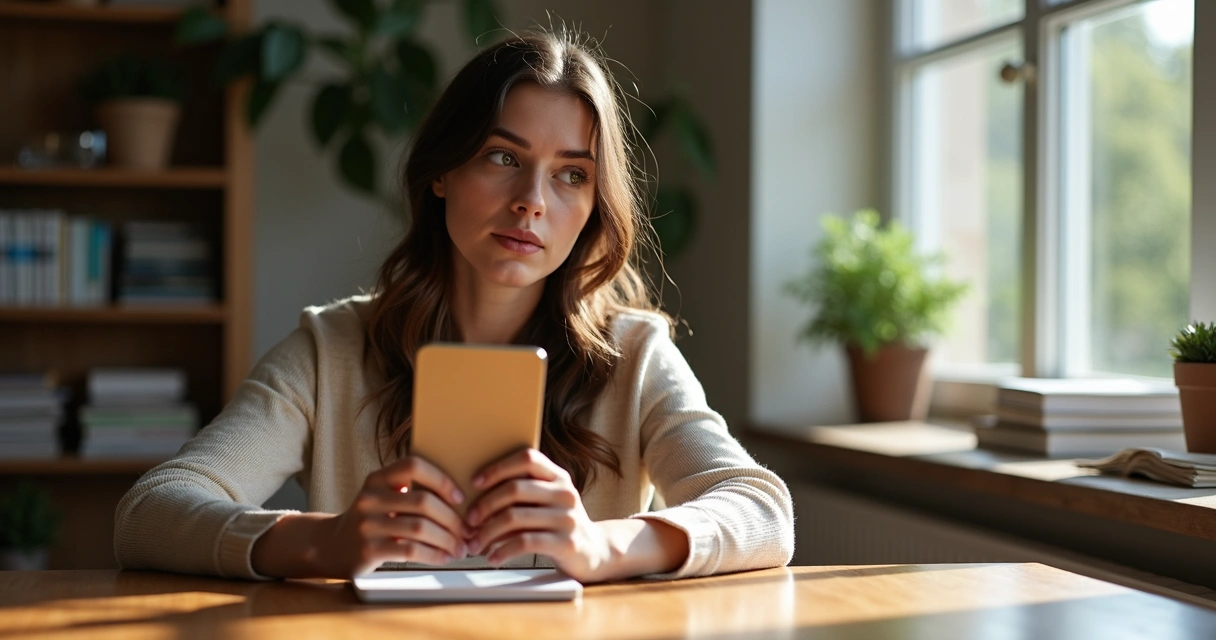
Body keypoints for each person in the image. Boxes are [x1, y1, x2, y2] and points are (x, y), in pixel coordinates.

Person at [114, 28, 794, 583]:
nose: (533, 199)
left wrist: (602, 547)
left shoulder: (635, 357)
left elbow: (763, 511)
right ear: (441, 171)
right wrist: (324, 543)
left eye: (571, 175)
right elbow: (149, 512)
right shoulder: (334, 348)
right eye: (503, 156)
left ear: (592, 208)